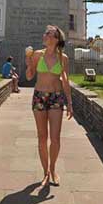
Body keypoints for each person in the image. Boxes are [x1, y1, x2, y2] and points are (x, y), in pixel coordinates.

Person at [25, 25, 73, 187]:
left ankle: (53, 169)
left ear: (56, 39)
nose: (45, 35)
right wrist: (29, 64)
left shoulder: (63, 58)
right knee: (42, 137)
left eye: (48, 33)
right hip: (39, 97)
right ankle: (45, 171)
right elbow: (30, 76)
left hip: (56, 98)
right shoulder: (37, 54)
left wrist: (70, 103)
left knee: (55, 138)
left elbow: (66, 82)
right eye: (45, 33)